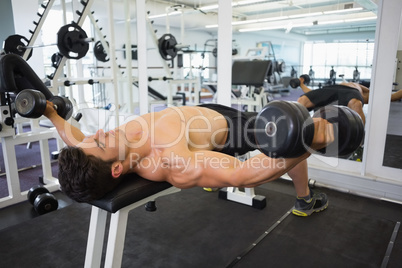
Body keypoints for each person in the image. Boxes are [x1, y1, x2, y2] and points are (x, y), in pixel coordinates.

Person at [44, 101, 335, 217]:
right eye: (99, 140)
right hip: (230, 130)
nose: (100, 132)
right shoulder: (171, 162)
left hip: (202, 112)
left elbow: (73, 137)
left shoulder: (101, 151)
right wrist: (307, 144)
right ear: (117, 168)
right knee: (288, 133)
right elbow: (243, 175)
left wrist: (51, 113)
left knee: (292, 130)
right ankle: (304, 199)